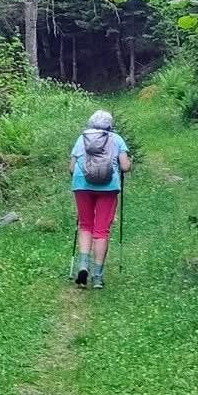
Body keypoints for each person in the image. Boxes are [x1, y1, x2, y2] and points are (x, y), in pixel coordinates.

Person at [70, 108, 131, 289]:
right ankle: (97, 276)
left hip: (82, 185)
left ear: (91, 123)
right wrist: (129, 163)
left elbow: (72, 167)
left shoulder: (82, 139)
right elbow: (125, 167)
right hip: (108, 187)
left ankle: (82, 266)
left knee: (85, 226)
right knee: (101, 231)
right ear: (110, 125)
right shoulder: (116, 139)